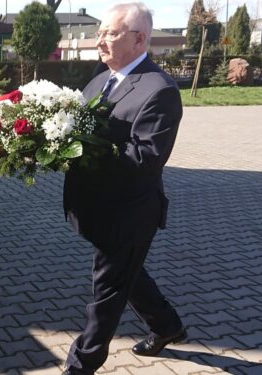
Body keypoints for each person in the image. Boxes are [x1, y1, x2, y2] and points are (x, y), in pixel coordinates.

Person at [62, 3, 185, 374]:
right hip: (97, 207)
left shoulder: (159, 90)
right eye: (99, 32)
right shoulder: (100, 79)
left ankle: (80, 365)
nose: (100, 40)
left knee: (107, 291)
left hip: (129, 212)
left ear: (139, 38)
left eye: (110, 33)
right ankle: (167, 326)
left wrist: (84, 143)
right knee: (128, 274)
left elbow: (146, 159)